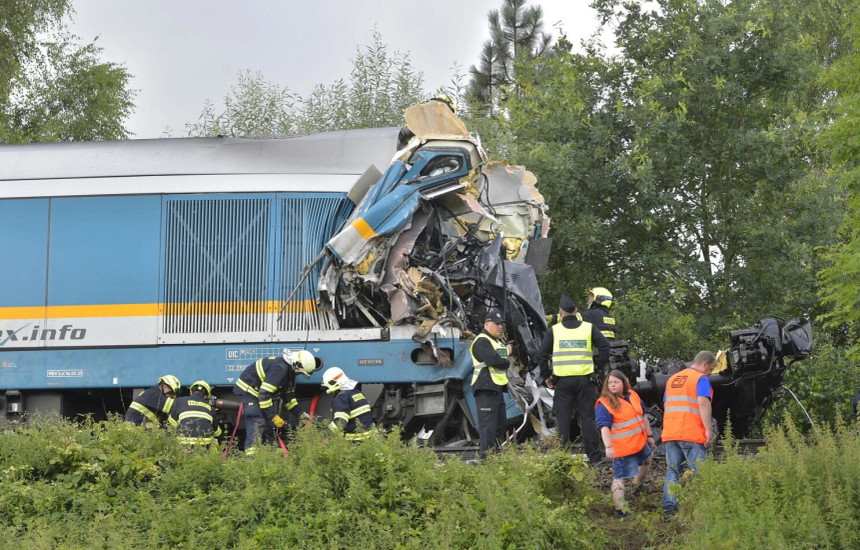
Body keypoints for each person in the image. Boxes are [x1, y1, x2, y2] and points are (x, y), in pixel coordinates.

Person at [536, 294, 610, 463]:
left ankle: (563, 457)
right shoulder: (588, 328)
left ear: (560, 312)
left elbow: (541, 354)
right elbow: (605, 347)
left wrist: (546, 374)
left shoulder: (554, 331)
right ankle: (595, 457)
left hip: (562, 382)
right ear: (576, 311)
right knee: (588, 418)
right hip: (585, 380)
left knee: (563, 419)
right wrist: (596, 365)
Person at [661, 350, 717, 519]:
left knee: (673, 471)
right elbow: (703, 404)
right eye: (711, 369)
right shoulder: (700, 378)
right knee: (701, 472)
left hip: (671, 432)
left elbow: (666, 405)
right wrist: (708, 430)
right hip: (691, 433)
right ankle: (702, 510)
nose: (711, 373)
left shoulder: (672, 380)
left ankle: (670, 510)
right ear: (704, 364)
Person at [596, 370, 656, 517]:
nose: (612, 385)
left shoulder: (632, 395)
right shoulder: (605, 403)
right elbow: (604, 427)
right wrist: (608, 447)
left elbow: (642, 416)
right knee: (620, 477)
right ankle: (620, 511)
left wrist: (649, 436)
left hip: (639, 442)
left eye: (616, 382)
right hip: (622, 448)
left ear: (623, 382)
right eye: (609, 382)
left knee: (647, 460)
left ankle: (638, 486)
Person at [233, 349, 316, 455]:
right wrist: (273, 416)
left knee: (267, 422)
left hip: (259, 392)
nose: (299, 374)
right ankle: (251, 455)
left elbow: (289, 399)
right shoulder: (280, 369)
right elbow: (264, 394)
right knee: (257, 419)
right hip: (249, 390)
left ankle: (271, 450)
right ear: (296, 366)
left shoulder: (289, 373)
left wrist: (302, 415)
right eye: (300, 372)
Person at [470, 309, 512, 460]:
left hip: (496, 389)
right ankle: (485, 462)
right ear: (487, 324)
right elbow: (496, 361)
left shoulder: (495, 341)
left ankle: (493, 457)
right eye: (497, 324)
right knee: (488, 428)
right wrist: (506, 357)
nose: (500, 327)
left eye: (501, 324)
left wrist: (504, 355)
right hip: (485, 388)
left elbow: (499, 357)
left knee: (500, 426)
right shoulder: (482, 341)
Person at [320, 367, 375, 441]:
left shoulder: (342, 397)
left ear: (332, 383)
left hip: (355, 442)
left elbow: (340, 423)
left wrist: (325, 437)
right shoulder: (357, 392)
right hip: (369, 439)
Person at [169, 380, 222, 447]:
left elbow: (171, 423)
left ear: (191, 392)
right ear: (206, 396)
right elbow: (216, 431)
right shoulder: (211, 408)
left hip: (183, 442)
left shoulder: (179, 401)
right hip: (204, 444)